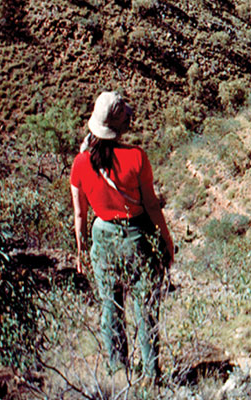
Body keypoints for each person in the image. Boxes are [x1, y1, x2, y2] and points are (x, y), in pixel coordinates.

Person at [70, 91, 174, 383]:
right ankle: (151, 375)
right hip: (137, 236)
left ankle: (118, 374)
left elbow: (79, 215)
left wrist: (80, 252)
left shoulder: (80, 163)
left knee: (110, 305)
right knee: (145, 308)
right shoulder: (136, 157)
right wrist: (166, 239)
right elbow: (151, 205)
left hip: (103, 237)